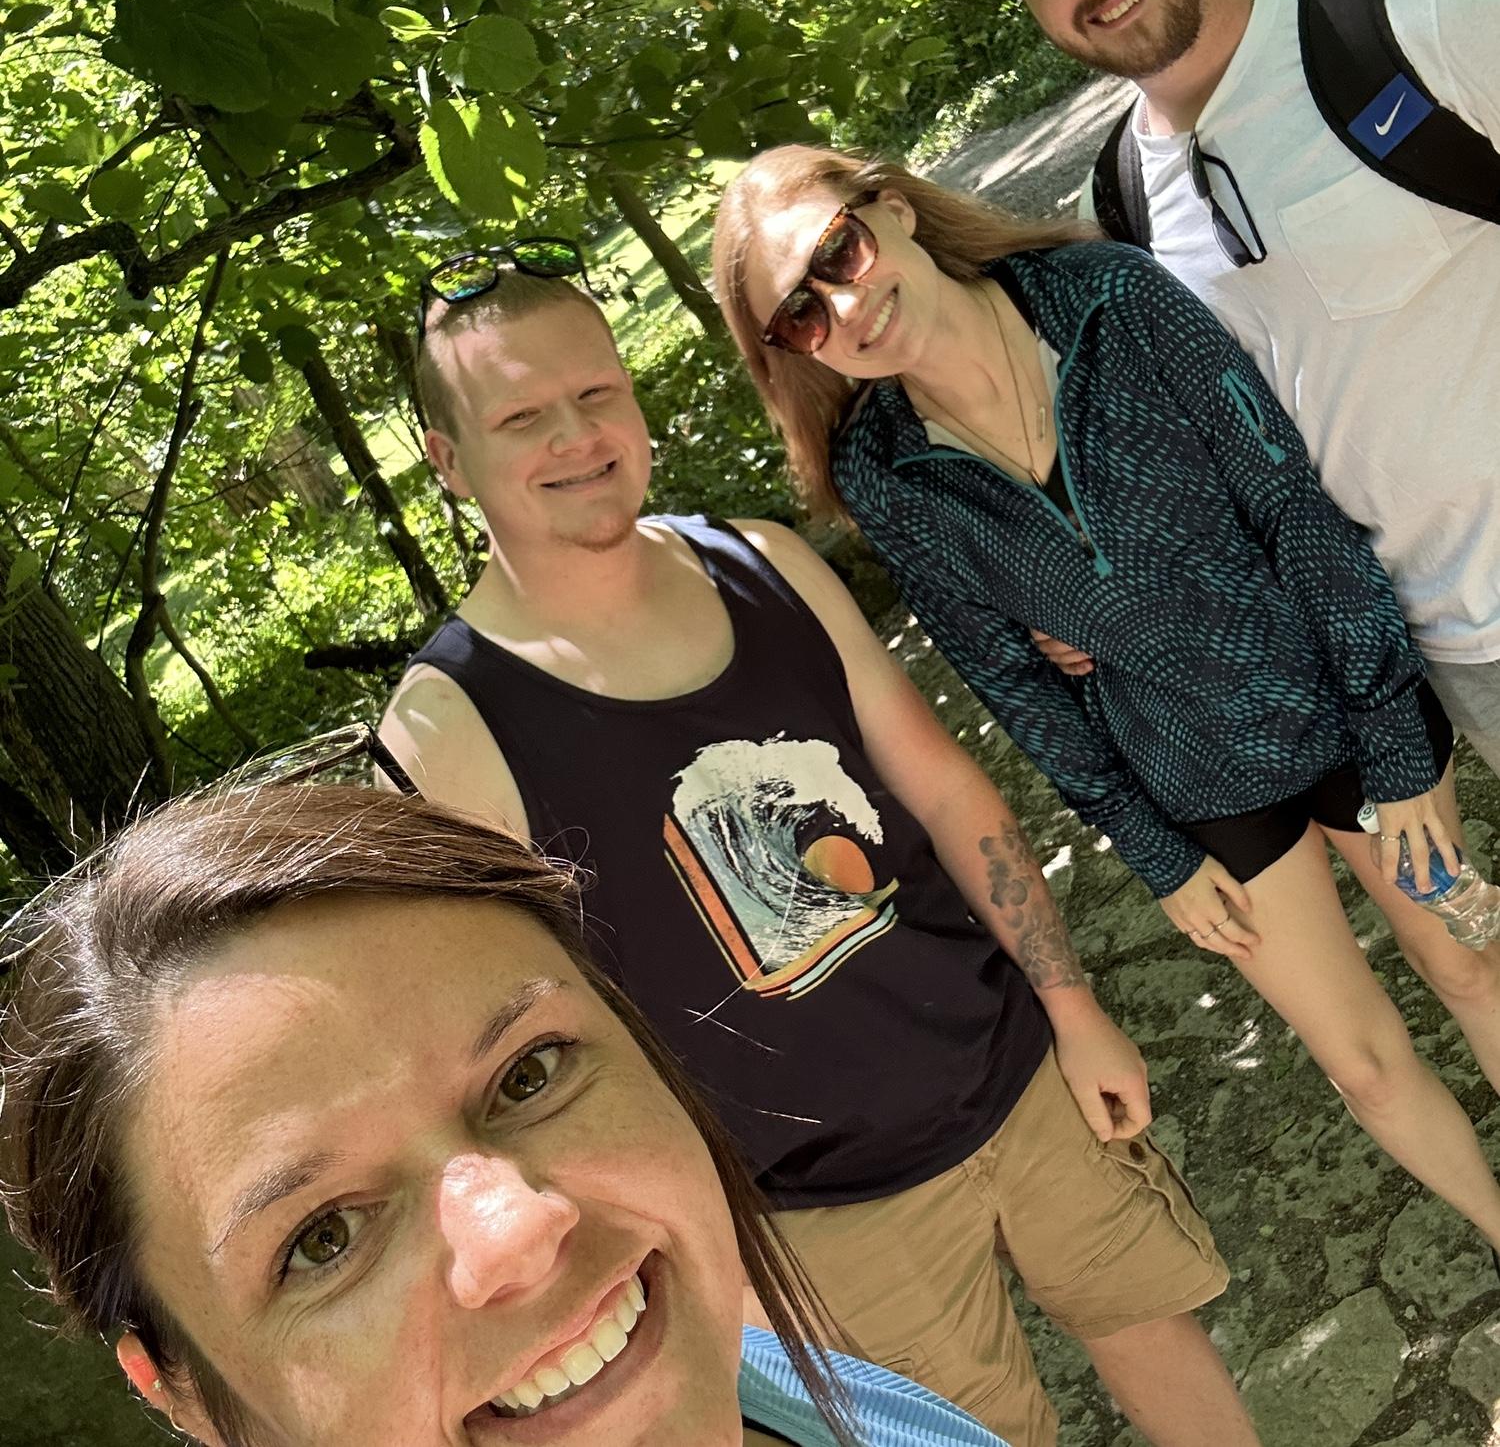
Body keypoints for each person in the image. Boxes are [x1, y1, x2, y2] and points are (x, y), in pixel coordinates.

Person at [378, 260, 1253, 1447]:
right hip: (813, 1212)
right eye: (522, 417)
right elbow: (506, 1057)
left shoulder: (763, 562)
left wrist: (1071, 998)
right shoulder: (449, 728)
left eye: (596, 394)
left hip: (1013, 1074)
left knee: (1161, 1338)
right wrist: (695, 1266)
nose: (577, 438)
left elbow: (943, 789)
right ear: (448, 458)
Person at [711, 142, 1500, 1291]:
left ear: (892, 206)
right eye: (799, 315)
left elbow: (1290, 506)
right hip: (1198, 782)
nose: (843, 303)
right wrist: (1157, 856)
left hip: (1338, 712)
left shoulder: (1111, 299)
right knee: (1367, 1066)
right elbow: (1012, 682)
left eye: (839, 250)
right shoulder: (885, 475)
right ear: (795, 353)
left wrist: (1392, 740)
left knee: (1474, 965)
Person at [0, 782, 1015, 1447]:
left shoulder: (790, 1390)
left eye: (530, 1075)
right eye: (323, 1238)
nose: (519, 1229)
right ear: (184, 1396)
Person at [982, 0, 1500, 771]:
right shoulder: (1117, 215)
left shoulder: (1417, 12)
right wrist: (1074, 593)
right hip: (1465, 654)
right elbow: (1195, 480)